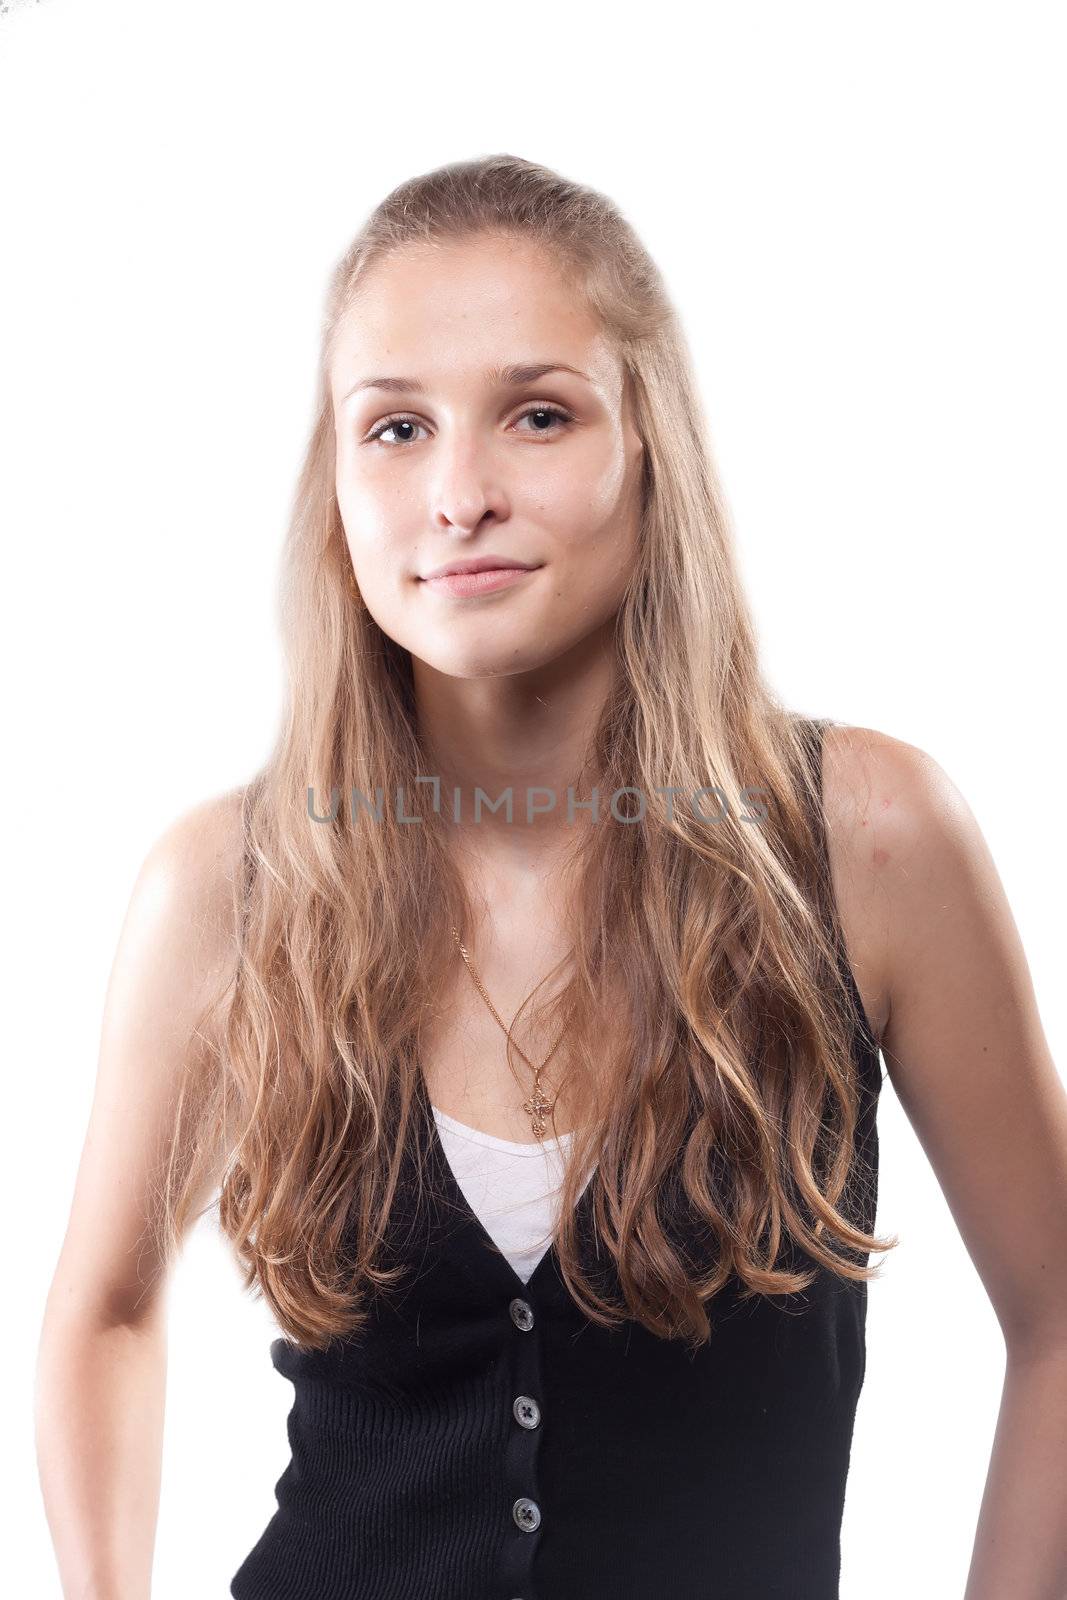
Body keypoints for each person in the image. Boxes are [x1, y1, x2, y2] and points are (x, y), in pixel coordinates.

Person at [36, 154, 1067, 1600]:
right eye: (394, 427)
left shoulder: (866, 841)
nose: (458, 494)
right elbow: (105, 1310)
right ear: (336, 487)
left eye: (537, 414)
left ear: (650, 444)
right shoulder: (229, 885)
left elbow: (1056, 1311)